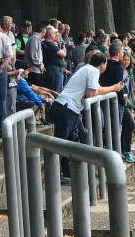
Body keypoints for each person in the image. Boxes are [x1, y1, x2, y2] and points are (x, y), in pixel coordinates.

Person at [52, 53, 121, 183]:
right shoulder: (94, 71)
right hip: (67, 107)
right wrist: (114, 88)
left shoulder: (87, 68)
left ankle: (67, 171)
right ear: (102, 64)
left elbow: (97, 89)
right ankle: (56, 175)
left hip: (70, 108)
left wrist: (113, 88)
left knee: (76, 139)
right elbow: (91, 93)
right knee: (61, 142)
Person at [100, 41, 135, 164]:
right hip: (117, 102)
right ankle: (117, 155)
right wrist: (123, 101)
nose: (123, 54)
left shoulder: (106, 64)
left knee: (130, 124)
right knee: (116, 129)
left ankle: (125, 150)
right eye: (121, 52)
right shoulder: (118, 67)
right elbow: (118, 86)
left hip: (110, 100)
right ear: (117, 53)